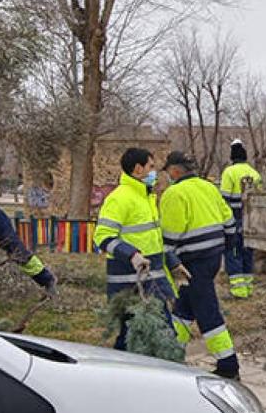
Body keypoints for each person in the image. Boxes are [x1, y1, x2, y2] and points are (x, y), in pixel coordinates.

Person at [93, 148, 191, 351]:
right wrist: (132, 254)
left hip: (153, 285)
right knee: (131, 340)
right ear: (138, 169)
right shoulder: (119, 199)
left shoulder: (146, 198)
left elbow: (155, 240)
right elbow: (102, 236)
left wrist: (173, 263)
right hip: (130, 286)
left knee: (157, 336)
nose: (155, 172)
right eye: (151, 167)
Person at [160, 151, 241, 380]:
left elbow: (169, 235)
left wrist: (169, 259)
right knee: (184, 309)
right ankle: (171, 356)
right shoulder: (209, 187)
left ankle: (228, 365)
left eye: (167, 171)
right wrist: (227, 248)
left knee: (207, 312)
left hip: (190, 262)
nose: (166, 175)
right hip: (212, 258)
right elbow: (229, 223)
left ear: (175, 170)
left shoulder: (174, 194)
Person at [220, 139, 263, 299]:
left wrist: (225, 223)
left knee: (234, 252)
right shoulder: (254, 173)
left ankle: (238, 291)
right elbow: (260, 199)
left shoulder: (229, 173)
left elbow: (223, 200)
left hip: (234, 220)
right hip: (252, 221)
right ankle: (248, 288)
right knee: (247, 253)